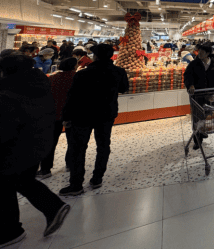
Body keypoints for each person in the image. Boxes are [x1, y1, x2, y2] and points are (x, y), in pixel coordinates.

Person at [0, 53, 71, 246]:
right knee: (22, 181)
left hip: (16, 147)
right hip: (37, 142)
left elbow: (6, 127)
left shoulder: (9, 93)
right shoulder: (37, 84)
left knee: (7, 186)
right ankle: (53, 208)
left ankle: (10, 231)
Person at [59, 44, 129, 196]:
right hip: (106, 114)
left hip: (83, 114)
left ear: (95, 56)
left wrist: (66, 117)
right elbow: (124, 89)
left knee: (78, 148)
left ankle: (76, 184)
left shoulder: (83, 74)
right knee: (103, 146)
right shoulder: (119, 72)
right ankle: (97, 178)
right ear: (111, 56)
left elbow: (72, 97)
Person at [37, 58, 77, 179]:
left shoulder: (53, 78)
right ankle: (70, 165)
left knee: (50, 142)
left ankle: (45, 169)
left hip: (54, 114)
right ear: (74, 66)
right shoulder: (77, 78)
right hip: (73, 114)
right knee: (73, 142)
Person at [183, 44, 214, 149]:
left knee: (208, 116)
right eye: (199, 52)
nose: (199, 54)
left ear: (207, 54)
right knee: (197, 118)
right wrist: (191, 85)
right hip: (197, 95)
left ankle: (203, 131)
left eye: (201, 52)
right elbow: (187, 76)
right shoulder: (194, 64)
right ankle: (197, 140)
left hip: (210, 95)